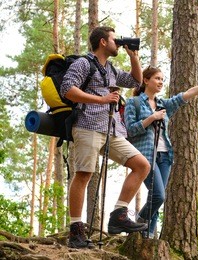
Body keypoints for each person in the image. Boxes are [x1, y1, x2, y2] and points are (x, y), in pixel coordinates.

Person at [60, 26, 150, 248]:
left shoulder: (110, 68)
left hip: (112, 130)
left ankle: (118, 214)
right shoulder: (83, 63)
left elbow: (136, 82)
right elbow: (66, 89)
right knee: (84, 175)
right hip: (87, 125)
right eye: (114, 39)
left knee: (141, 165)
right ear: (102, 42)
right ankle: (76, 231)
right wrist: (101, 100)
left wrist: (134, 57)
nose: (117, 42)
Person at [124, 65, 198, 238]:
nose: (161, 82)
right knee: (159, 196)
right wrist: (151, 118)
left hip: (165, 156)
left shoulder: (163, 104)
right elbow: (130, 130)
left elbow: (188, 93)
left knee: (157, 198)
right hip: (145, 156)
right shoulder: (133, 103)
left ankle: (148, 237)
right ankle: (137, 225)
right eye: (157, 78)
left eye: (162, 79)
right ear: (146, 80)